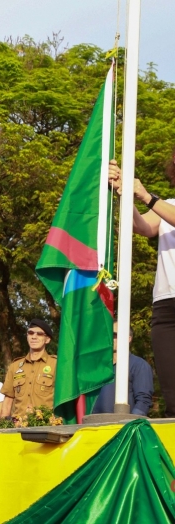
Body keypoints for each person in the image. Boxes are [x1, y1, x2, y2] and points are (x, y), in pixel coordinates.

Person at [109, 155, 175, 417]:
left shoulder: (163, 206)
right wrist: (125, 192)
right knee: (172, 392)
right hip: (166, 307)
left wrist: (146, 196)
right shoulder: (168, 205)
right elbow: (143, 226)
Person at [92, 321, 153, 416]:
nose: (111, 338)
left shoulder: (138, 365)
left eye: (115, 335)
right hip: (92, 426)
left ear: (128, 338)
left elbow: (143, 401)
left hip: (122, 427)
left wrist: (129, 425)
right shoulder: (97, 366)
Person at [0, 319, 56, 419]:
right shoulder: (15, 366)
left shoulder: (55, 364)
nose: (34, 336)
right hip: (19, 426)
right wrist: (1, 426)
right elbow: (8, 399)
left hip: (46, 426)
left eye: (39, 334)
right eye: (30, 333)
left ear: (47, 339)